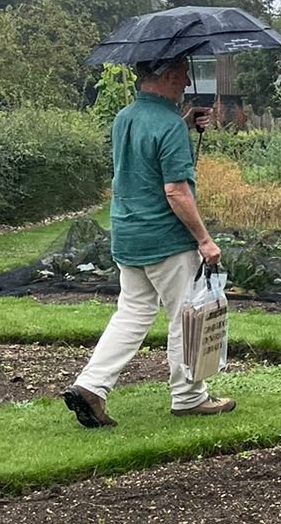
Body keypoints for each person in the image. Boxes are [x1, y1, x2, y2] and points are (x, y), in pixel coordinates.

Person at [62, 58, 236, 427]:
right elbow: (175, 190)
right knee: (184, 317)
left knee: (132, 313)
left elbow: (144, 155)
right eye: (183, 75)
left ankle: (91, 387)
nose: (187, 82)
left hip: (127, 234)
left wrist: (185, 124)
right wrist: (204, 240)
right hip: (166, 240)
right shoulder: (168, 124)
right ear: (167, 77)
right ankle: (189, 397)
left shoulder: (125, 117)